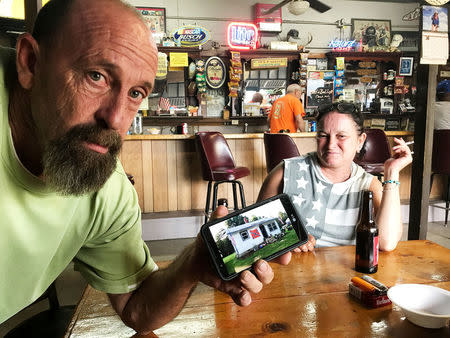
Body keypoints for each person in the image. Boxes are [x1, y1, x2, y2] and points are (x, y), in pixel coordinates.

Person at [0, 0, 292, 332]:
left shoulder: (105, 186)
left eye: (136, 93)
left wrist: (193, 263)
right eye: (97, 76)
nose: (115, 119)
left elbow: (137, 308)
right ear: (30, 62)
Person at [258, 102, 412, 252]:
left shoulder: (368, 185)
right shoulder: (285, 172)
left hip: (346, 273)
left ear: (360, 141)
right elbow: (256, 229)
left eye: (341, 136)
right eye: (324, 135)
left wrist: (392, 172)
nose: (331, 145)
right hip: (293, 271)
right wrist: (289, 239)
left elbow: (387, 242)